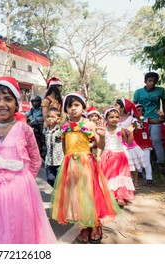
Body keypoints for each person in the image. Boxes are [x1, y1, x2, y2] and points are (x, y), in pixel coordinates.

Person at [0, 76, 57, 244]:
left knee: (22, 229)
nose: (1, 104)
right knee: (2, 229)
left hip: (22, 190)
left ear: (16, 103)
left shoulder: (25, 129)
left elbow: (35, 159)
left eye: (7, 99)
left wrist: (25, 182)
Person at [50, 92, 119, 244]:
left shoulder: (89, 124)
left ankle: (95, 225)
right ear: (65, 109)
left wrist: (101, 137)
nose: (72, 108)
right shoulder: (64, 126)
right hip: (70, 164)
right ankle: (85, 225)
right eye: (69, 106)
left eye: (76, 105)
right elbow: (64, 147)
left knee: (89, 194)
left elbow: (100, 145)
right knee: (76, 197)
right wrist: (67, 162)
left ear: (83, 107)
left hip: (86, 163)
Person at [99, 106, 135, 207]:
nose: (114, 119)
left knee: (120, 176)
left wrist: (131, 132)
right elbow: (100, 146)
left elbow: (129, 142)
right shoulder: (103, 130)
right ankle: (110, 195)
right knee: (109, 176)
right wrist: (98, 155)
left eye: (116, 117)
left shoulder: (121, 129)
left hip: (120, 156)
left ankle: (120, 196)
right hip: (107, 157)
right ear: (106, 119)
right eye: (111, 117)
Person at [133, 72, 165, 171]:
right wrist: (136, 118)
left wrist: (164, 115)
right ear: (145, 81)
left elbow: (164, 102)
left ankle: (161, 163)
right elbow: (134, 106)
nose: (152, 83)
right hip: (142, 121)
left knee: (156, 140)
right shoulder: (138, 92)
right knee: (141, 140)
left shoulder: (160, 90)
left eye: (154, 81)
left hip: (155, 120)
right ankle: (141, 164)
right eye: (150, 81)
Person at [115, 98, 147, 190]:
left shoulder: (131, 119)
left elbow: (136, 131)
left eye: (116, 105)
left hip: (129, 144)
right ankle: (124, 182)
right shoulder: (115, 117)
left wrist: (128, 131)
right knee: (121, 165)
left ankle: (136, 181)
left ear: (122, 107)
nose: (115, 106)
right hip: (117, 144)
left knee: (131, 164)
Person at [135, 104, 157, 185]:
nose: (141, 112)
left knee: (147, 161)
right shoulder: (132, 121)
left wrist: (161, 117)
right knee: (137, 160)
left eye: (142, 110)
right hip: (135, 145)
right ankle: (139, 172)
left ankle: (149, 178)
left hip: (146, 144)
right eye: (138, 110)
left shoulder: (147, 120)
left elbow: (158, 121)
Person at [42, 107, 64, 187]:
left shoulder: (60, 130)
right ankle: (57, 190)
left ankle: (60, 193)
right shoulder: (45, 130)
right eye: (48, 116)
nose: (50, 119)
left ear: (58, 119)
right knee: (50, 179)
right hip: (49, 160)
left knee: (60, 179)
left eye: (52, 117)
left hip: (59, 161)